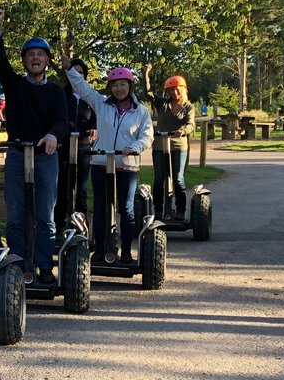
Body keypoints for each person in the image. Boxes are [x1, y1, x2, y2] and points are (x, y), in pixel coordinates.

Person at [0, 14, 68, 284]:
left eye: (40, 55)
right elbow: (0, 62)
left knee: (45, 215)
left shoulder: (56, 92)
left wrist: (54, 135)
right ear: (25, 60)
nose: (35, 58)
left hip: (45, 156)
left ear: (47, 60)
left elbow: (62, 122)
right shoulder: (15, 85)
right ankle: (19, 265)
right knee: (16, 215)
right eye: (31, 54)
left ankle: (45, 266)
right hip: (18, 154)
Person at [64, 57, 153, 264]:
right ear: (110, 87)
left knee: (126, 209)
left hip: (126, 165)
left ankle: (127, 251)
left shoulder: (140, 111)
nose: (119, 88)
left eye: (123, 84)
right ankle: (100, 249)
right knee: (101, 207)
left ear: (130, 86)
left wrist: (135, 148)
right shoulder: (102, 104)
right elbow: (83, 87)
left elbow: (147, 135)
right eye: (115, 85)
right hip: (101, 162)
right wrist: (69, 69)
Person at [142, 64, 196, 219]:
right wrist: (146, 74)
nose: (174, 92)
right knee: (159, 179)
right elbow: (148, 94)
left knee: (178, 179)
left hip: (179, 146)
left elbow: (191, 124)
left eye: (178, 88)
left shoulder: (188, 107)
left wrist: (183, 130)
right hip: (160, 145)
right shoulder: (163, 104)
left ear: (184, 88)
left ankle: (180, 210)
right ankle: (158, 210)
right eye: (171, 89)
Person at [55, 57, 98, 236]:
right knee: (62, 187)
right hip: (64, 146)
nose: (78, 76)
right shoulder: (60, 94)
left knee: (81, 189)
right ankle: (58, 228)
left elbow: (97, 115)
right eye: (75, 72)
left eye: (81, 73)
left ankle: (82, 229)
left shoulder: (90, 96)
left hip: (84, 146)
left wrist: (95, 127)